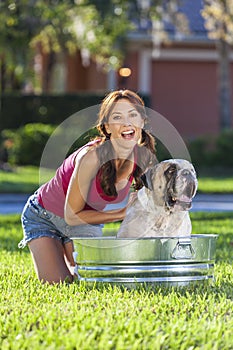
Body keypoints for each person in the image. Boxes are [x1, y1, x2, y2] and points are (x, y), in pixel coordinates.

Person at [19, 89, 157, 284]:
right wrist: (121, 213)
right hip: (43, 216)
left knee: (91, 280)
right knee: (58, 284)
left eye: (133, 115)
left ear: (142, 121)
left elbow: (149, 202)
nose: (127, 123)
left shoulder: (143, 158)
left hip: (86, 221)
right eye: (118, 117)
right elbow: (71, 215)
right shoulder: (91, 157)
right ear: (107, 127)